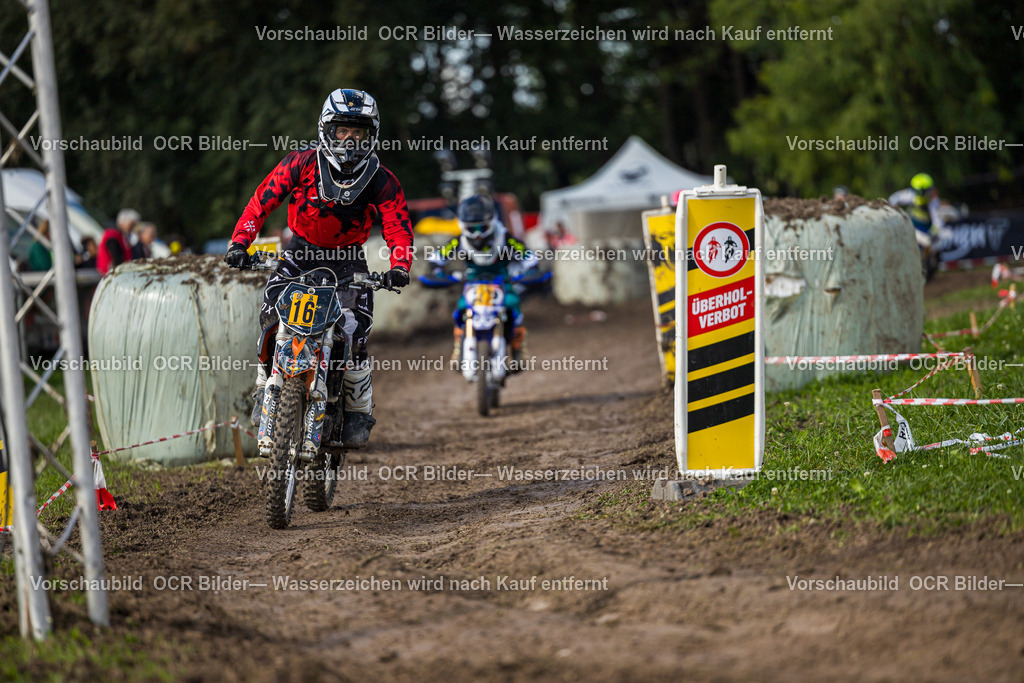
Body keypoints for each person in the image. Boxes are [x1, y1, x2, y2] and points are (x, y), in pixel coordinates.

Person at [224, 88, 413, 447]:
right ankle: (265, 387)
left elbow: (397, 225)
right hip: (300, 253)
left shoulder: (381, 179)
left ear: (371, 134)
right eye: (343, 130)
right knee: (270, 315)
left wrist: (399, 265)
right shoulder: (300, 163)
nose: (350, 139)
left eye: (359, 132)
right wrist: (239, 243)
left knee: (355, 331)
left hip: (348, 261)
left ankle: (357, 409)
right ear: (327, 129)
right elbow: (262, 201)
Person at [429, 194, 537, 369]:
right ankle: (458, 348)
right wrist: (437, 270)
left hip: (502, 281)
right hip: (473, 283)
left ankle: (518, 350)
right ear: (464, 227)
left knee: (514, 306)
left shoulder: (504, 237)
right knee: (461, 310)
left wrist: (531, 270)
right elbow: (438, 256)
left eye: (482, 228)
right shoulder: (460, 240)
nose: (478, 235)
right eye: (473, 229)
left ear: (491, 223)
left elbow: (527, 254)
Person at [97, 208, 138, 274]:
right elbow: (115, 254)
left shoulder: (122, 235)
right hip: (110, 272)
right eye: (131, 225)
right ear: (122, 222)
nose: (132, 228)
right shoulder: (113, 234)